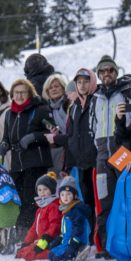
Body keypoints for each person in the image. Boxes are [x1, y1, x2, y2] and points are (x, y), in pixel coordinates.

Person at [89, 55, 131, 251]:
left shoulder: (126, 93)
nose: (106, 74)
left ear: (116, 73)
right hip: (101, 153)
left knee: (124, 198)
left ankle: (125, 244)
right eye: (103, 71)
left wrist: (127, 147)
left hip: (121, 151)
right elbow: (92, 125)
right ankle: (106, 245)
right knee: (104, 199)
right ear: (98, 74)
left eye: (110, 70)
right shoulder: (95, 97)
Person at [0, 79, 51, 237]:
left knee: (30, 199)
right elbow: (7, 136)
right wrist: (4, 144)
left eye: (23, 92)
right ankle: (21, 233)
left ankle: (28, 233)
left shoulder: (40, 109)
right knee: (18, 199)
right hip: (17, 163)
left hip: (35, 162)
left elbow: (54, 131)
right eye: (16, 92)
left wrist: (34, 137)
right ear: (12, 95)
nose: (20, 95)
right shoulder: (9, 114)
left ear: (30, 93)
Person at [52, 68, 97, 204]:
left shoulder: (97, 102)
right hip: (81, 163)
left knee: (99, 202)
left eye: (86, 82)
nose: (82, 85)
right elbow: (72, 138)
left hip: (96, 162)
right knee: (86, 201)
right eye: (79, 82)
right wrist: (68, 165)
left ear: (93, 82)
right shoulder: (75, 107)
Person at [15, 172, 62, 261]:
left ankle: (55, 253)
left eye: (45, 189)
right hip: (40, 240)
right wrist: (27, 242)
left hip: (50, 240)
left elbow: (55, 224)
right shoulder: (40, 209)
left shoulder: (53, 206)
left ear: (51, 190)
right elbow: (33, 228)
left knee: (28, 254)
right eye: (39, 190)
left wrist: (46, 238)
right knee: (21, 252)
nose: (42, 192)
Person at [48, 176, 94, 261]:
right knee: (51, 254)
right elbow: (65, 230)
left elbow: (78, 227)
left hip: (74, 242)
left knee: (58, 258)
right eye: (62, 194)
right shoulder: (65, 209)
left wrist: (74, 242)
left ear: (75, 196)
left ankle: (78, 251)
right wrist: (58, 239)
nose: (65, 197)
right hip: (66, 241)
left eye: (68, 194)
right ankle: (74, 251)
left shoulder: (75, 210)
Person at [42, 73, 70, 172]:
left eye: (57, 86)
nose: (54, 89)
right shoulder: (46, 110)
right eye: (50, 88)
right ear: (47, 92)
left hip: (72, 145)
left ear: (63, 88)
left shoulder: (70, 103)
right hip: (58, 150)